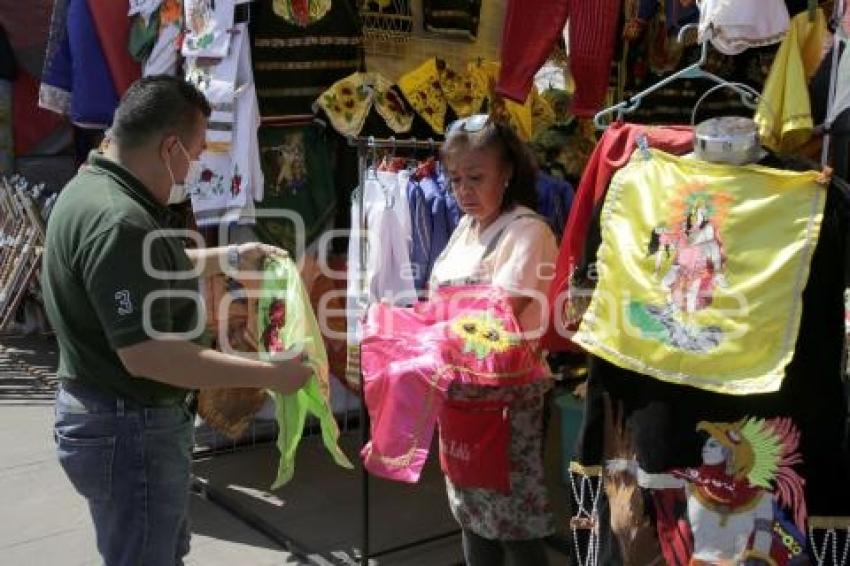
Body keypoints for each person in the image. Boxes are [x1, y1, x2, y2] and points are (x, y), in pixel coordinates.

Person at [41, 76, 312, 566]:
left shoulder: (95, 184)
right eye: (197, 152)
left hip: (120, 420)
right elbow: (150, 355)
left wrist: (228, 256)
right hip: (130, 427)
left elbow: (146, 266)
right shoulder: (116, 219)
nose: (199, 165)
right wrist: (274, 375)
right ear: (170, 147)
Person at [429, 113, 558, 566]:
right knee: (469, 511)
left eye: (476, 178)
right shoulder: (466, 228)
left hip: (506, 403)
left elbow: (499, 318)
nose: (464, 190)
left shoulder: (528, 232)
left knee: (513, 520)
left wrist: (429, 332)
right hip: (460, 394)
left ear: (506, 174)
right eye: (456, 179)